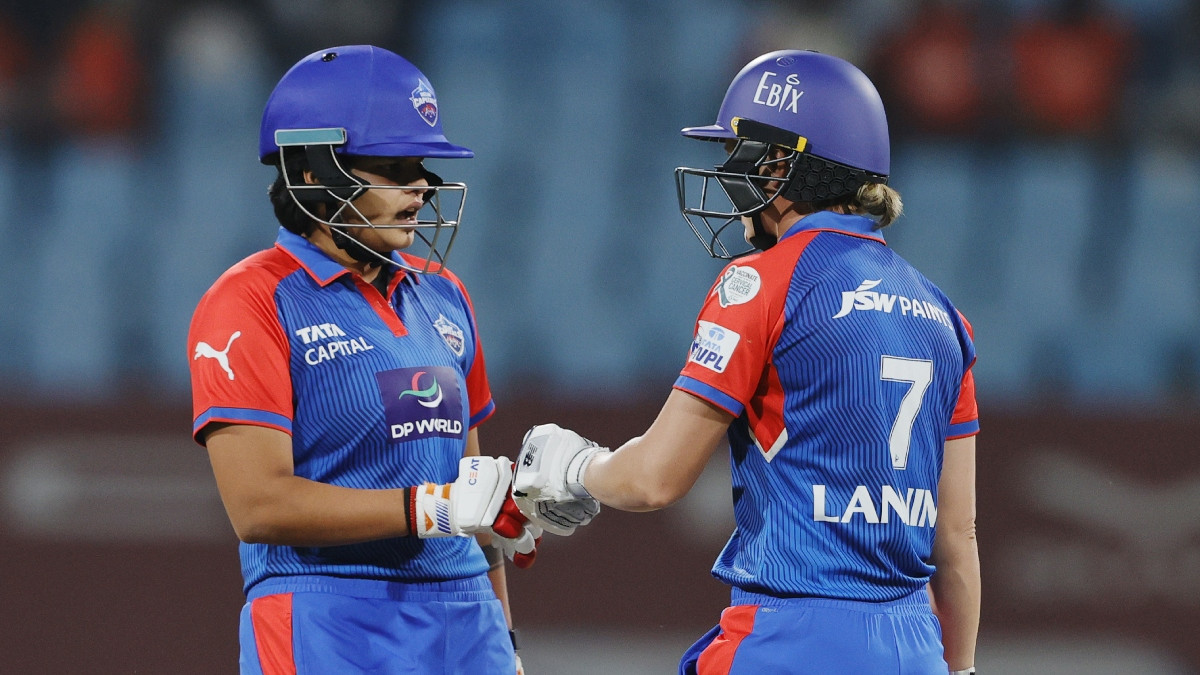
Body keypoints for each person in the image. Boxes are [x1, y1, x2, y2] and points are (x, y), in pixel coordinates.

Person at [511, 50, 980, 674]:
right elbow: (957, 540)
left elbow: (654, 479)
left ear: (780, 163)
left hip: (790, 643)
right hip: (915, 649)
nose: (730, 175)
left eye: (738, 153)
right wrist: (960, 668)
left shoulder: (762, 283)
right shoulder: (945, 316)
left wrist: (576, 468)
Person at [188, 45, 537, 675]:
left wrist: (505, 640)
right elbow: (258, 506)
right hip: (328, 620)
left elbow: (473, 492)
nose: (422, 186)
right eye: (393, 167)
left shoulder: (445, 294)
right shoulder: (250, 301)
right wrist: (429, 507)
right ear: (315, 176)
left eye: (421, 166)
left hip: (468, 621)